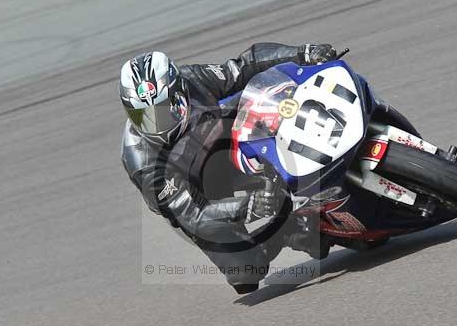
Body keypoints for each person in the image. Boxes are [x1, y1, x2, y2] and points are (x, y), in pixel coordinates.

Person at [119, 43, 337, 294]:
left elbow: (243, 67)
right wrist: (249, 207)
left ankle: (324, 158)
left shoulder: (193, 80)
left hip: (228, 144)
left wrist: (304, 53)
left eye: (163, 110)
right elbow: (194, 215)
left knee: (267, 100)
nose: (155, 124)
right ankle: (289, 228)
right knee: (246, 273)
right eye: (143, 116)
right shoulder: (141, 162)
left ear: (178, 92)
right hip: (198, 193)